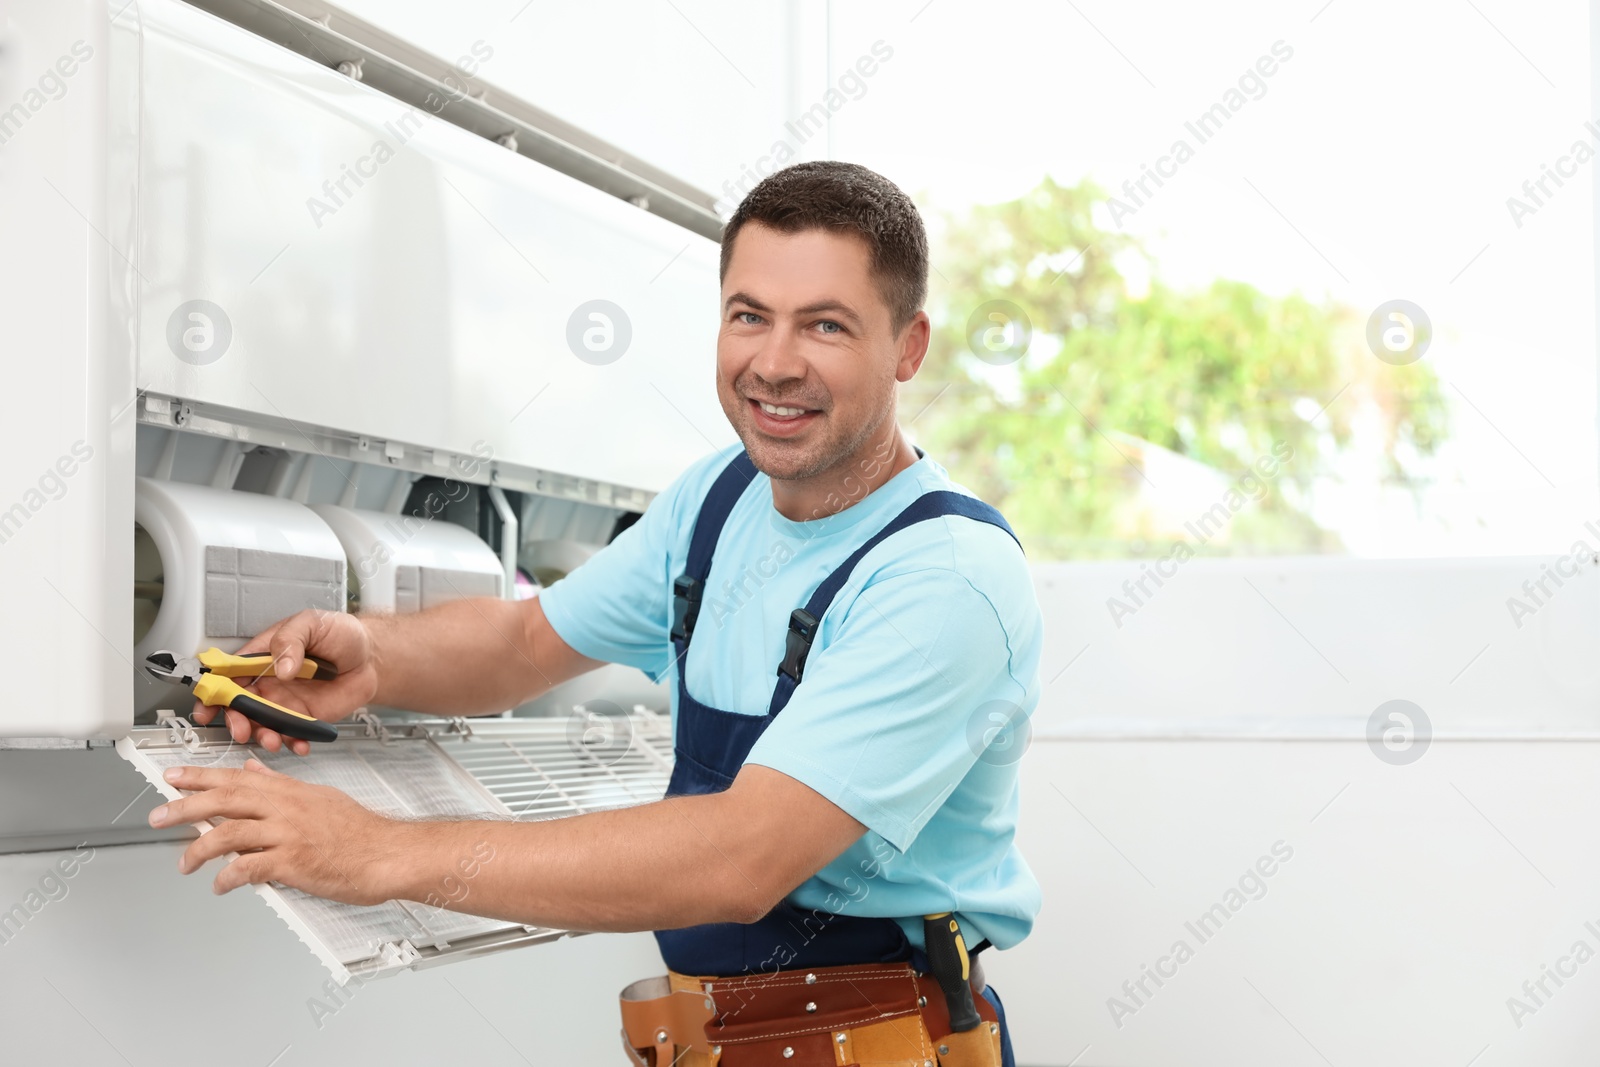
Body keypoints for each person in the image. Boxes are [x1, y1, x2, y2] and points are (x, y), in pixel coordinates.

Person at [149, 161, 1042, 1067]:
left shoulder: (946, 579)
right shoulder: (720, 499)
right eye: (748, 315)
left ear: (908, 346)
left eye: (825, 324)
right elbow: (526, 639)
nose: (774, 363)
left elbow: (742, 857)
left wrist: (379, 852)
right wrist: (375, 654)